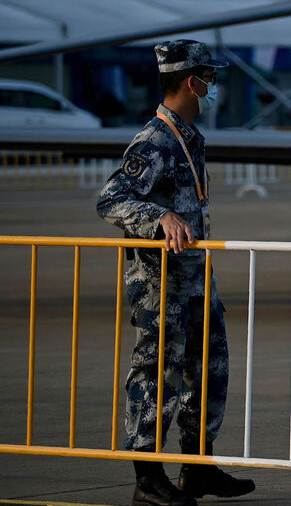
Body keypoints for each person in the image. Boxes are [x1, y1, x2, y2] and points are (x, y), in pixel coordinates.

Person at [98, 40, 255, 506]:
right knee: (157, 375)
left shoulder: (189, 138)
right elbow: (111, 199)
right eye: (211, 78)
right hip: (160, 288)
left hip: (194, 281)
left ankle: (198, 467)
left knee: (209, 373)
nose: (213, 88)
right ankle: (148, 480)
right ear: (193, 82)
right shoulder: (156, 141)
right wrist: (158, 218)